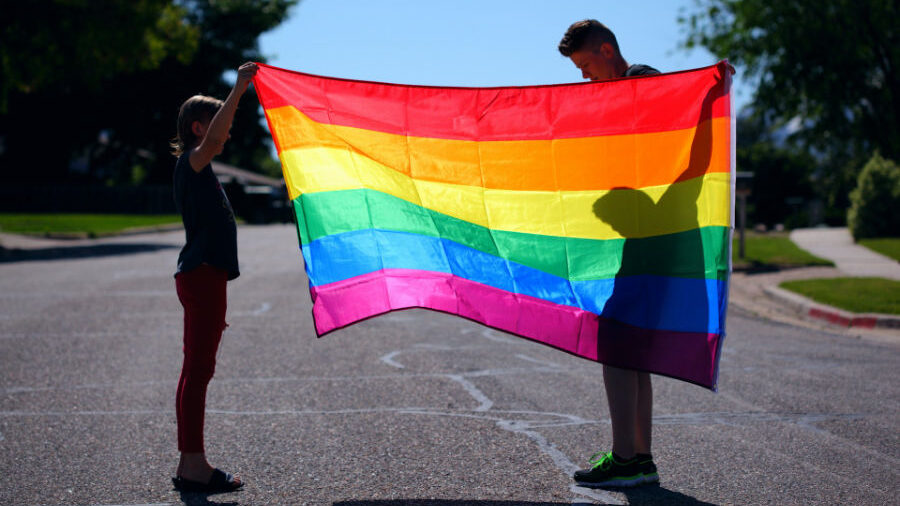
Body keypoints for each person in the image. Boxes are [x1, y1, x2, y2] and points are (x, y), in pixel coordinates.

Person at [558, 20, 661, 489]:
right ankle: (639, 458)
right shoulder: (627, 90)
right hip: (644, 236)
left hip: (653, 235)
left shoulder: (640, 83)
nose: (584, 78)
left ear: (606, 49)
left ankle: (626, 458)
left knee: (617, 343)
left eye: (585, 66)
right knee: (631, 347)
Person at [169, 61, 258, 493]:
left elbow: (221, 133)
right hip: (202, 276)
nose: (225, 134)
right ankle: (194, 468)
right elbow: (220, 134)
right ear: (199, 127)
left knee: (195, 371)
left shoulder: (200, 168)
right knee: (198, 371)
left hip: (204, 275)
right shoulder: (194, 161)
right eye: (217, 122)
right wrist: (240, 89)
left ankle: (191, 462)